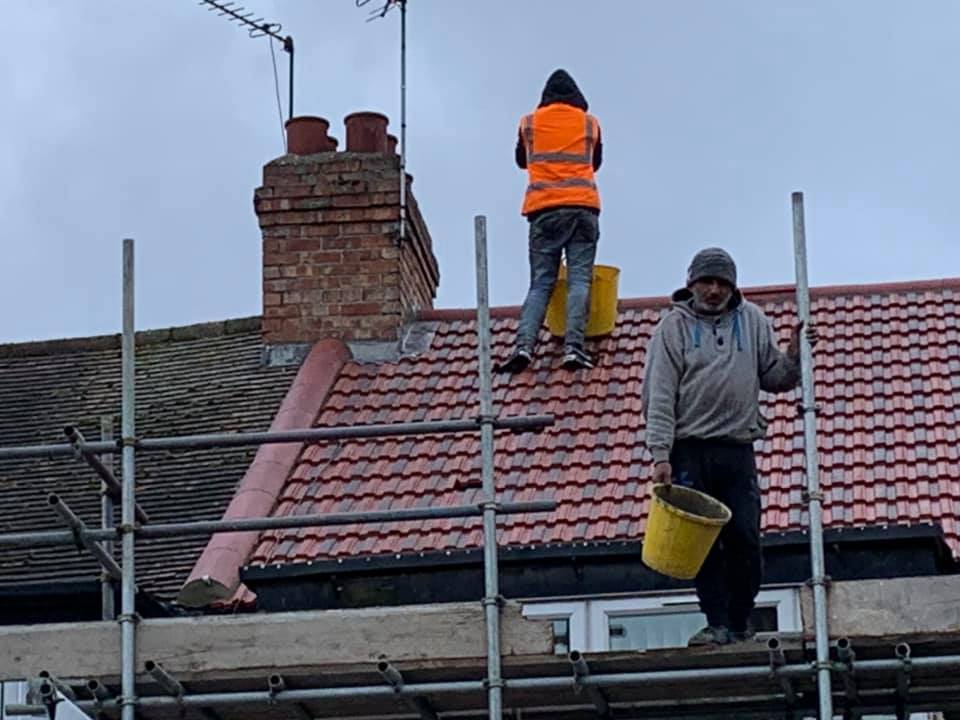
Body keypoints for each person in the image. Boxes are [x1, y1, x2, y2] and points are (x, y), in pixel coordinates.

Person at [641, 247, 819, 646]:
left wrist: (793, 354)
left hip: (737, 449)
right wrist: (660, 454)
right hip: (690, 448)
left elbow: (773, 376)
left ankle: (740, 620)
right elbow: (659, 393)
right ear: (692, 284)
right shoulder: (673, 328)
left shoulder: (752, 320)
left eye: (722, 283)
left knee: (745, 537)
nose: (715, 290)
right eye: (707, 282)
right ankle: (717, 621)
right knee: (701, 543)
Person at [498, 69, 603, 373]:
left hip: (543, 211)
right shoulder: (589, 123)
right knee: (579, 280)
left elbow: (522, 161)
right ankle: (574, 348)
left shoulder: (529, 123)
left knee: (541, 282)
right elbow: (595, 162)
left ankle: (524, 347)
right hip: (583, 209)